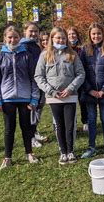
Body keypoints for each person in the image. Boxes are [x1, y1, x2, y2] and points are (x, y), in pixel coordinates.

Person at [35, 27, 85, 165]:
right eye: (58, 38)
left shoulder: (72, 54)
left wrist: (71, 88)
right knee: (59, 125)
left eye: (63, 38)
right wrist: (51, 91)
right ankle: (62, 152)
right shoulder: (45, 55)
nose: (60, 40)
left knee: (70, 125)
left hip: (70, 96)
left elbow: (81, 74)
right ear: (52, 39)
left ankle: (71, 151)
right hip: (54, 97)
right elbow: (39, 76)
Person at [0, 26, 40, 169]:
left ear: (20, 38)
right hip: (7, 99)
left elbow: (34, 78)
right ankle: (7, 157)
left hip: (25, 98)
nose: (12, 40)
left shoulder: (27, 55)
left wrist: (34, 98)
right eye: (10, 37)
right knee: (9, 128)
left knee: (26, 127)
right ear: (5, 38)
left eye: (15, 37)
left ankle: (29, 153)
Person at [79, 23, 104, 158]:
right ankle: (92, 146)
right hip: (89, 92)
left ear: (103, 34)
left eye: (99, 33)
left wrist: (103, 89)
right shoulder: (84, 50)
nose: (96, 36)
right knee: (91, 119)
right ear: (90, 35)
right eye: (94, 34)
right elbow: (81, 71)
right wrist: (89, 90)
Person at [20, 21, 46, 148]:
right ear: (25, 31)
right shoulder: (22, 46)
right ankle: (30, 138)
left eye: (36, 31)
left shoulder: (36, 46)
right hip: (29, 85)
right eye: (31, 31)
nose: (34, 33)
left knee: (38, 109)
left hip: (39, 83)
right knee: (31, 110)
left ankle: (34, 131)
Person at [67, 26, 89, 132]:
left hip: (81, 79)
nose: (72, 36)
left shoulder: (82, 48)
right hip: (69, 80)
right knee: (71, 103)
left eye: (73, 34)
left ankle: (85, 122)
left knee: (83, 101)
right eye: (69, 34)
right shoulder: (65, 48)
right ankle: (73, 123)